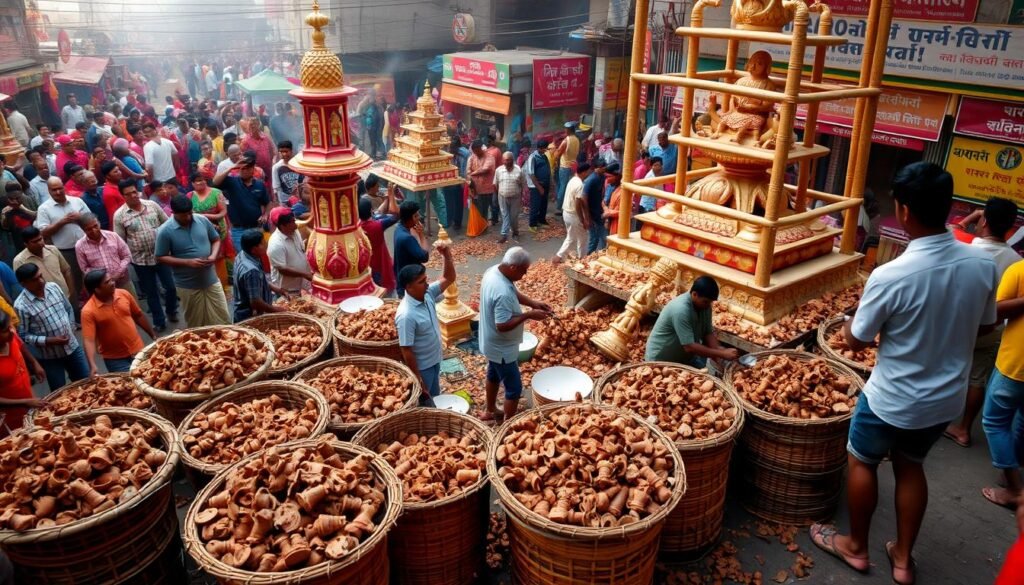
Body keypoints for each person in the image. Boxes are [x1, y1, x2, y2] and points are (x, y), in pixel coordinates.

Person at [809, 162, 998, 585]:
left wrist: (848, 319)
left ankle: (856, 547)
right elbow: (985, 327)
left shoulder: (891, 275)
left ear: (905, 211)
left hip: (891, 397)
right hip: (943, 400)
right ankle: (902, 559)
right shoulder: (982, 266)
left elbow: (856, 340)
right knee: (911, 466)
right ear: (948, 207)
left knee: (863, 460)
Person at [945, 196, 1022, 448]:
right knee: (977, 377)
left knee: (942, 368)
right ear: (1010, 228)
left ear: (984, 220)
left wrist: (970, 217)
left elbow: (951, 229)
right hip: (991, 329)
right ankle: (964, 429)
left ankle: (930, 417)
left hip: (955, 327)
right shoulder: (1017, 262)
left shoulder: (964, 247)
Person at [478, 247, 552, 421]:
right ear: (513, 268)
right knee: (514, 388)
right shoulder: (501, 292)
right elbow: (502, 325)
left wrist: (533, 303)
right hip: (501, 347)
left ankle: (490, 411)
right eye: (524, 270)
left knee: (493, 374)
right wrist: (528, 314)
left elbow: (513, 291)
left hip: (490, 343)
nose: (525, 275)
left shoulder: (495, 271)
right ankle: (507, 425)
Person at [981, 258, 1024, 510]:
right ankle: (1011, 470)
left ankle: (1014, 489)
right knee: (1021, 420)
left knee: (994, 421)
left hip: (1016, 365)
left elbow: (996, 312)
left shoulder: (1019, 270)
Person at [155, 195, 230, 328]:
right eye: (184, 215)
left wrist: (213, 256)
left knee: (223, 319)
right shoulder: (165, 231)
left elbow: (215, 239)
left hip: (211, 280)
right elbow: (160, 257)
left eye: (190, 213)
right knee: (197, 324)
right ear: (173, 213)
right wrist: (188, 262)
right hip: (188, 285)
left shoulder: (202, 220)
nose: (188, 217)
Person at [112, 180, 177, 332]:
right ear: (123, 196)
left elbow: (167, 224)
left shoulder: (152, 206)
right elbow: (120, 241)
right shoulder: (120, 216)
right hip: (140, 261)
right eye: (128, 194)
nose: (133, 196)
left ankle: (171, 311)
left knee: (171, 288)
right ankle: (159, 321)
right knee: (151, 292)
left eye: (135, 192)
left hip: (161, 256)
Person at [13, 262, 89, 391]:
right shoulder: (21, 306)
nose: (41, 281)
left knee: (87, 384)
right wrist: (48, 341)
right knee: (59, 393)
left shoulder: (53, 287)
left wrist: (70, 327)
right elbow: (24, 336)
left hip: (72, 348)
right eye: (35, 280)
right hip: (50, 357)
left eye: (40, 276)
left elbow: (68, 309)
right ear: (23, 284)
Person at [396, 245, 455, 403]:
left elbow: (449, 278)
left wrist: (447, 255)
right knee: (424, 400)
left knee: (435, 396)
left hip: (435, 359)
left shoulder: (427, 293)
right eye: (421, 282)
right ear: (408, 287)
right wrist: (419, 381)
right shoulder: (406, 315)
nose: (427, 284)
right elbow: (406, 350)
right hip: (423, 368)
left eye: (426, 280)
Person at [644, 276, 738, 367]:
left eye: (710, 302)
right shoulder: (681, 309)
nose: (708, 305)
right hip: (660, 360)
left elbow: (707, 332)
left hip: (684, 358)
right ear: (694, 294)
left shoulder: (705, 306)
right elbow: (689, 347)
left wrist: (718, 350)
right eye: (705, 301)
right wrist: (721, 354)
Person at [81, 269, 154, 376]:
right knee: (127, 388)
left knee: (148, 379)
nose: (112, 283)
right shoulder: (88, 311)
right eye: (107, 282)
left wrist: (153, 335)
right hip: (115, 360)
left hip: (139, 350)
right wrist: (92, 365)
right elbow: (89, 340)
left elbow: (138, 315)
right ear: (97, 289)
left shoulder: (124, 294)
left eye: (111, 280)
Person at [34, 176, 88, 321]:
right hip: (66, 251)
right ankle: (77, 316)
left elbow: (91, 219)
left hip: (86, 246)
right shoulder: (44, 209)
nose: (58, 192)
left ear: (64, 187)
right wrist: (62, 222)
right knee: (74, 284)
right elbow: (42, 232)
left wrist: (80, 217)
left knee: (90, 277)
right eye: (54, 190)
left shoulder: (77, 201)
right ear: (49, 191)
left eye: (60, 188)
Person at [213, 154, 270, 256]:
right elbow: (215, 182)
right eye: (241, 168)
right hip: (238, 230)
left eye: (247, 168)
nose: (244, 171)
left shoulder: (259, 185)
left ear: (253, 169)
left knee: (260, 256)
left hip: (255, 228)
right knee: (244, 256)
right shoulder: (232, 182)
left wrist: (265, 215)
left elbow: (267, 202)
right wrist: (231, 167)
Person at [188, 171, 234, 293]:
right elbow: (189, 215)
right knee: (204, 257)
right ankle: (209, 286)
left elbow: (223, 212)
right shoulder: (189, 196)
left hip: (218, 229)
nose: (201, 182)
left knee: (219, 258)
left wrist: (204, 216)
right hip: (200, 231)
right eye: (197, 180)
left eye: (203, 179)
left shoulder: (216, 193)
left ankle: (224, 288)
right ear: (192, 183)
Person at [233, 229, 288, 322]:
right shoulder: (251, 270)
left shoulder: (243, 254)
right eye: (263, 243)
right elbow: (255, 302)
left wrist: (277, 289)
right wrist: (276, 310)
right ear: (254, 249)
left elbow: (258, 281)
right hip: (249, 316)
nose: (266, 245)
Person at [74, 212, 134, 295]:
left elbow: (127, 256)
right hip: (102, 287)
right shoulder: (80, 246)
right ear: (83, 230)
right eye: (89, 229)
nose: (94, 230)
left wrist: (118, 273)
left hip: (122, 281)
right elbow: (85, 268)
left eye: (95, 226)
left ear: (99, 223)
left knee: (129, 305)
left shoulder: (113, 236)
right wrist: (103, 279)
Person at [13, 226, 73, 301]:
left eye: (40, 239)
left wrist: (70, 291)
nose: (40, 243)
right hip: (45, 302)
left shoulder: (53, 250)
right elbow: (23, 285)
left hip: (65, 296)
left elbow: (66, 270)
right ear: (26, 244)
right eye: (35, 242)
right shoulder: (20, 260)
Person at [359, 192, 399, 295]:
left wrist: (386, 200)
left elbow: (379, 212)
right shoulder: (377, 226)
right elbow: (396, 216)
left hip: (366, 265)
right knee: (387, 293)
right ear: (371, 210)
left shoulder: (356, 227)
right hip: (380, 264)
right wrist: (391, 196)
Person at [266, 209, 312, 296]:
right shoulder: (276, 244)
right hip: (287, 289)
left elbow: (300, 249)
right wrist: (305, 275)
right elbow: (283, 270)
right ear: (283, 226)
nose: (295, 225)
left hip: (301, 284)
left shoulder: (294, 231)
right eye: (292, 222)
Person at [552, 162, 591, 264]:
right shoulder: (580, 185)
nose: (588, 174)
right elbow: (578, 203)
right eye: (588, 172)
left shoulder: (573, 180)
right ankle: (579, 259)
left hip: (566, 212)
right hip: (574, 215)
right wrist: (583, 219)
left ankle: (576, 257)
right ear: (584, 172)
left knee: (573, 237)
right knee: (581, 238)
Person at [393, 201, 429, 298]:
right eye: (416, 216)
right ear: (409, 219)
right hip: (410, 285)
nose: (419, 217)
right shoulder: (407, 238)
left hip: (403, 279)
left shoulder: (398, 228)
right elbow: (425, 257)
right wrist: (421, 234)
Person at [494, 151, 526, 243]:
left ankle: (515, 232)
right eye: (504, 160)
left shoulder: (518, 170)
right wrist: (497, 195)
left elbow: (523, 184)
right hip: (502, 196)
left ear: (513, 160)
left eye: (508, 160)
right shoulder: (499, 170)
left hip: (515, 197)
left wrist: (522, 197)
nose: (506, 162)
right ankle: (504, 234)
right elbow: (495, 184)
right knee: (505, 215)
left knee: (513, 217)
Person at [467, 140, 495, 233]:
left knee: (484, 209)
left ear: (481, 149)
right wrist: (470, 184)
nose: (476, 153)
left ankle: (484, 228)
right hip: (474, 188)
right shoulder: (471, 158)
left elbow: (486, 169)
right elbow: (467, 172)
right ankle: (478, 227)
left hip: (486, 189)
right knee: (477, 209)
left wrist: (473, 173)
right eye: (474, 151)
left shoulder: (489, 157)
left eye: (477, 150)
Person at [525, 139, 552, 231]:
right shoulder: (532, 157)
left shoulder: (544, 156)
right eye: (544, 149)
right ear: (540, 148)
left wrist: (550, 183)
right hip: (535, 185)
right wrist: (539, 187)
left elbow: (548, 169)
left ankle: (541, 220)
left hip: (545, 183)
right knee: (535, 205)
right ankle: (532, 224)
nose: (546, 150)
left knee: (543, 203)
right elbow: (531, 174)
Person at [555, 122, 580, 213]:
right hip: (573, 166)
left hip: (564, 166)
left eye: (565, 129)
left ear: (569, 130)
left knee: (562, 187)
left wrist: (555, 152)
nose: (564, 130)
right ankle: (570, 204)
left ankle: (559, 207)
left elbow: (557, 154)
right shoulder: (577, 140)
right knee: (570, 186)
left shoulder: (566, 141)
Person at [584, 159, 609, 253]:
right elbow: (584, 198)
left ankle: (602, 254)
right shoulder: (591, 180)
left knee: (602, 237)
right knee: (594, 238)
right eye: (602, 168)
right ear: (596, 168)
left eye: (604, 167)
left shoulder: (602, 177)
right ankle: (588, 257)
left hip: (598, 211)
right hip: (592, 213)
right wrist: (587, 217)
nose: (604, 169)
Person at [272, 140, 302, 206]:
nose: (284, 154)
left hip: (300, 200)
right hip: (285, 201)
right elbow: (276, 187)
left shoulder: (299, 164)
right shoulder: (276, 167)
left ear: (291, 151)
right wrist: (279, 203)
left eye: (286, 151)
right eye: (281, 152)